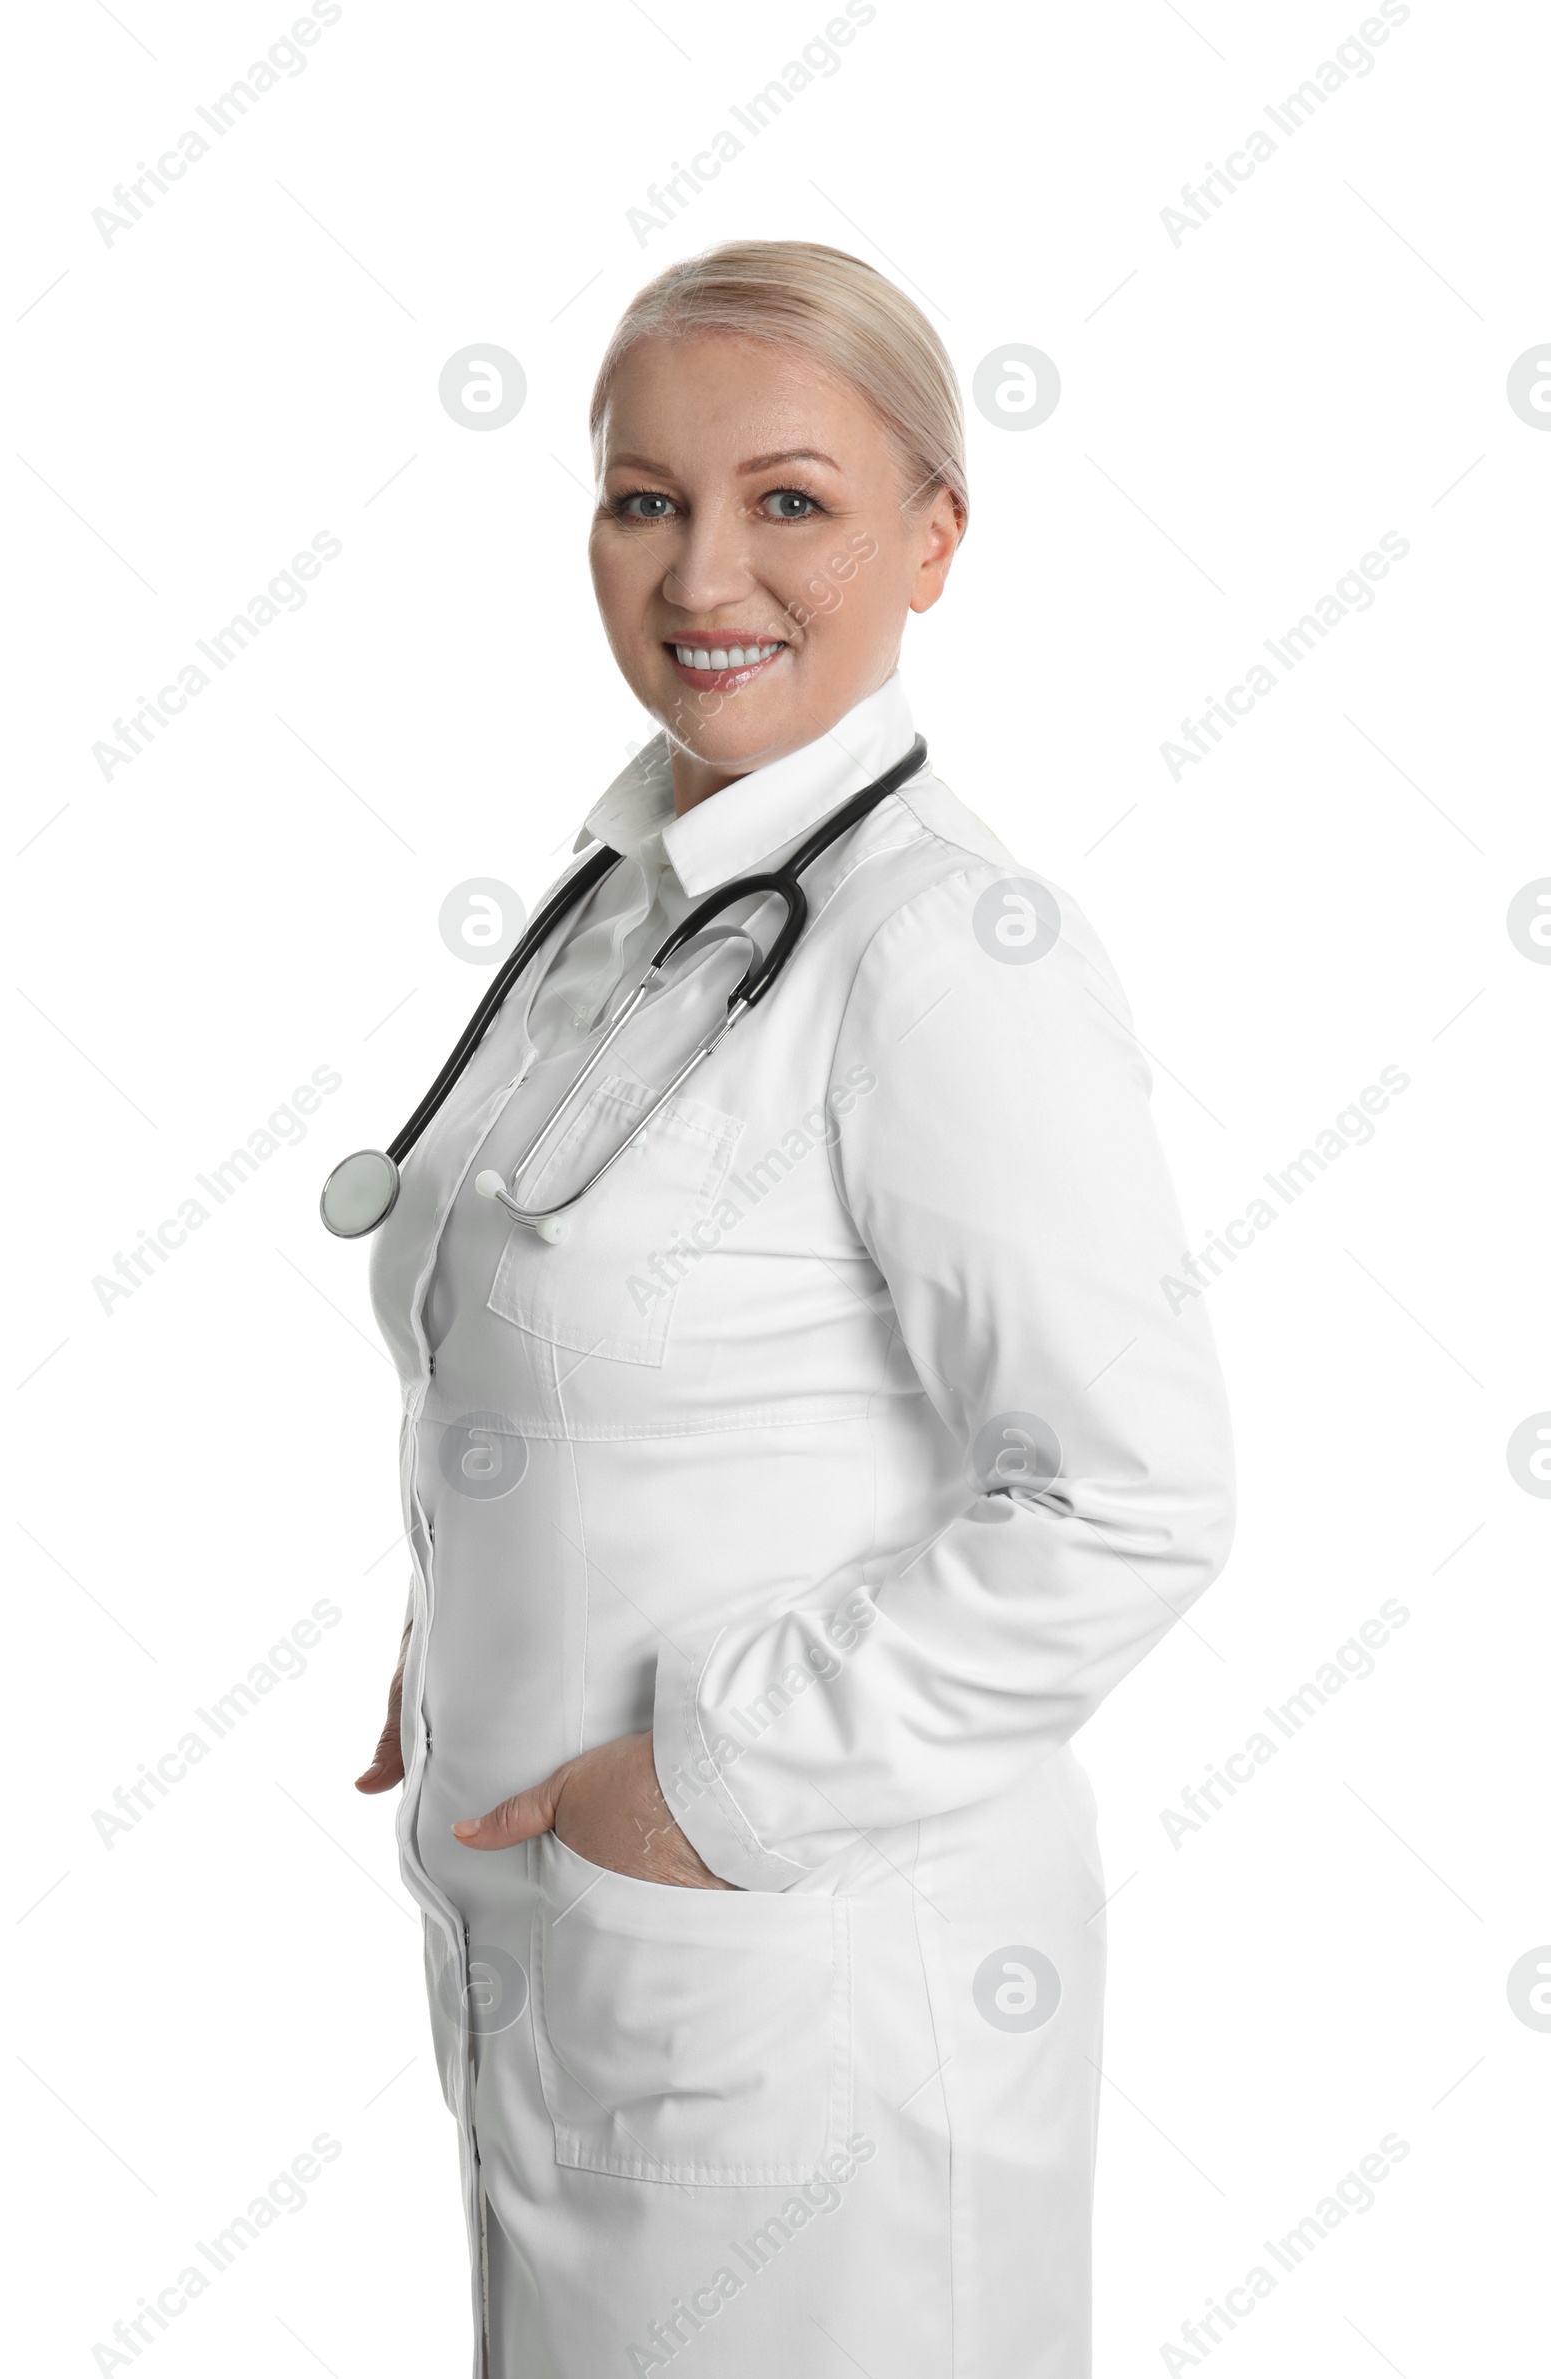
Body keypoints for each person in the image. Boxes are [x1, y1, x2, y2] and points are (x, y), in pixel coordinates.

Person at [352, 238, 1234, 2378]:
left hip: (804, 1986)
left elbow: (1127, 1498)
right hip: (581, 1964)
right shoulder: (637, 897)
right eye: (641, 498)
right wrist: (462, 1630)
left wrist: (698, 1787)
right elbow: (589, 1348)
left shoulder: (951, 954)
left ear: (933, 536)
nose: (699, 570)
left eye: (790, 500)